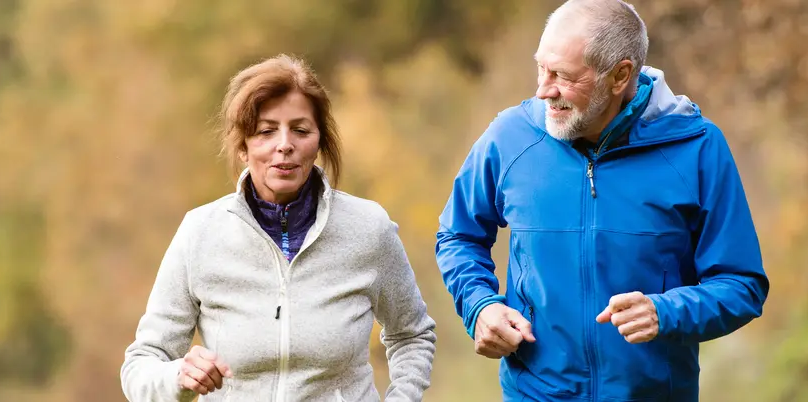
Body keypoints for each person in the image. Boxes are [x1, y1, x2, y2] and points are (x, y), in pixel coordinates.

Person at [435, 0, 769, 400]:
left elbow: (741, 285)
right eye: (541, 68)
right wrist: (480, 305)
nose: (543, 90)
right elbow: (457, 236)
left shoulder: (697, 148)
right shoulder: (509, 137)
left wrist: (666, 312)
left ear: (620, 75)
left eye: (562, 76)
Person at [121, 54, 436, 402]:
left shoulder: (368, 228)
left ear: (319, 141)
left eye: (300, 130)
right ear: (243, 146)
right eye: (266, 131)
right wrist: (178, 378)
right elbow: (142, 364)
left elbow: (412, 336)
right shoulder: (200, 233)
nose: (284, 144)